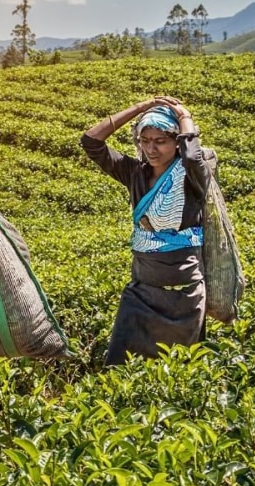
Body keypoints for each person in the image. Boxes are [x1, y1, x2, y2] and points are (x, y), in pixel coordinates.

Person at [80, 96, 211, 365]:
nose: (151, 149)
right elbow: (91, 142)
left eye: (160, 141)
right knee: (120, 366)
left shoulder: (192, 176)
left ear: (176, 141)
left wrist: (184, 114)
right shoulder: (134, 173)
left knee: (178, 371)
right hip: (140, 292)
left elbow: (192, 155)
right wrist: (140, 108)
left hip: (182, 294)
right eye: (145, 140)